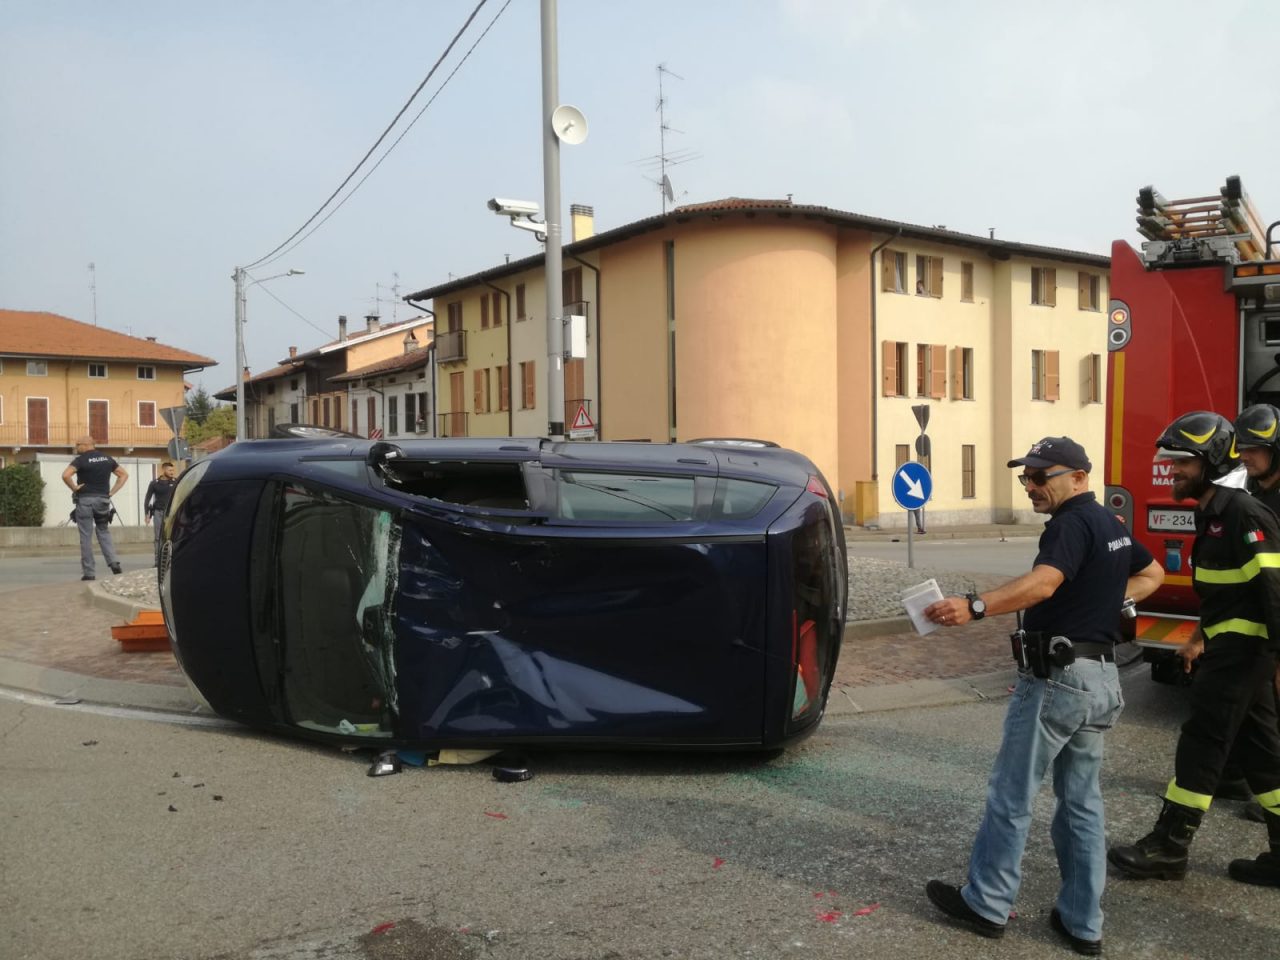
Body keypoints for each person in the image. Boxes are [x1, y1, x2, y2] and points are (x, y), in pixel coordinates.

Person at [923, 436, 1163, 955]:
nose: (1030, 486)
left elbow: (1044, 583)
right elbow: (1152, 573)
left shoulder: (1071, 524)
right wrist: (1107, 599)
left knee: (1012, 795)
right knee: (1081, 804)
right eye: (1025, 478)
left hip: (1056, 677)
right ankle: (1083, 921)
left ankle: (987, 902)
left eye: (1040, 476)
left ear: (1078, 476)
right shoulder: (1110, 524)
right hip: (1100, 679)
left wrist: (977, 606)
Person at [1108, 411, 1280, 889]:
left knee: (1203, 744)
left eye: (1181, 461)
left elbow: (1274, 590)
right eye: (1169, 459)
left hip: (1244, 654)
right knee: (1262, 753)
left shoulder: (1243, 514)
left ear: (1209, 462)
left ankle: (1169, 846)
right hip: (1232, 649)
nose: (1171, 470)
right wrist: (1199, 636)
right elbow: (1228, 593)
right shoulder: (1217, 514)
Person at [61, 435, 128, 581]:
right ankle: (114, 563)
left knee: (86, 536)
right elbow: (123, 474)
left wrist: (74, 488)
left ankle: (89, 573)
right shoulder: (107, 458)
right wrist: (111, 492)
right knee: (103, 531)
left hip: (85, 501)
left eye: (77, 445)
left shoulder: (81, 460)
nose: (76, 448)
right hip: (103, 501)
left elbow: (66, 475)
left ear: (85, 445)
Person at [143, 460, 179, 566]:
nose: (172, 472)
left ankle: (170, 561)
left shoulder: (176, 482)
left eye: (173, 470)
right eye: (170, 470)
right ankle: (157, 562)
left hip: (172, 513)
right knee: (158, 538)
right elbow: (147, 499)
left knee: (171, 537)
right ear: (163, 470)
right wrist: (147, 514)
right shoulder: (154, 483)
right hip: (158, 512)